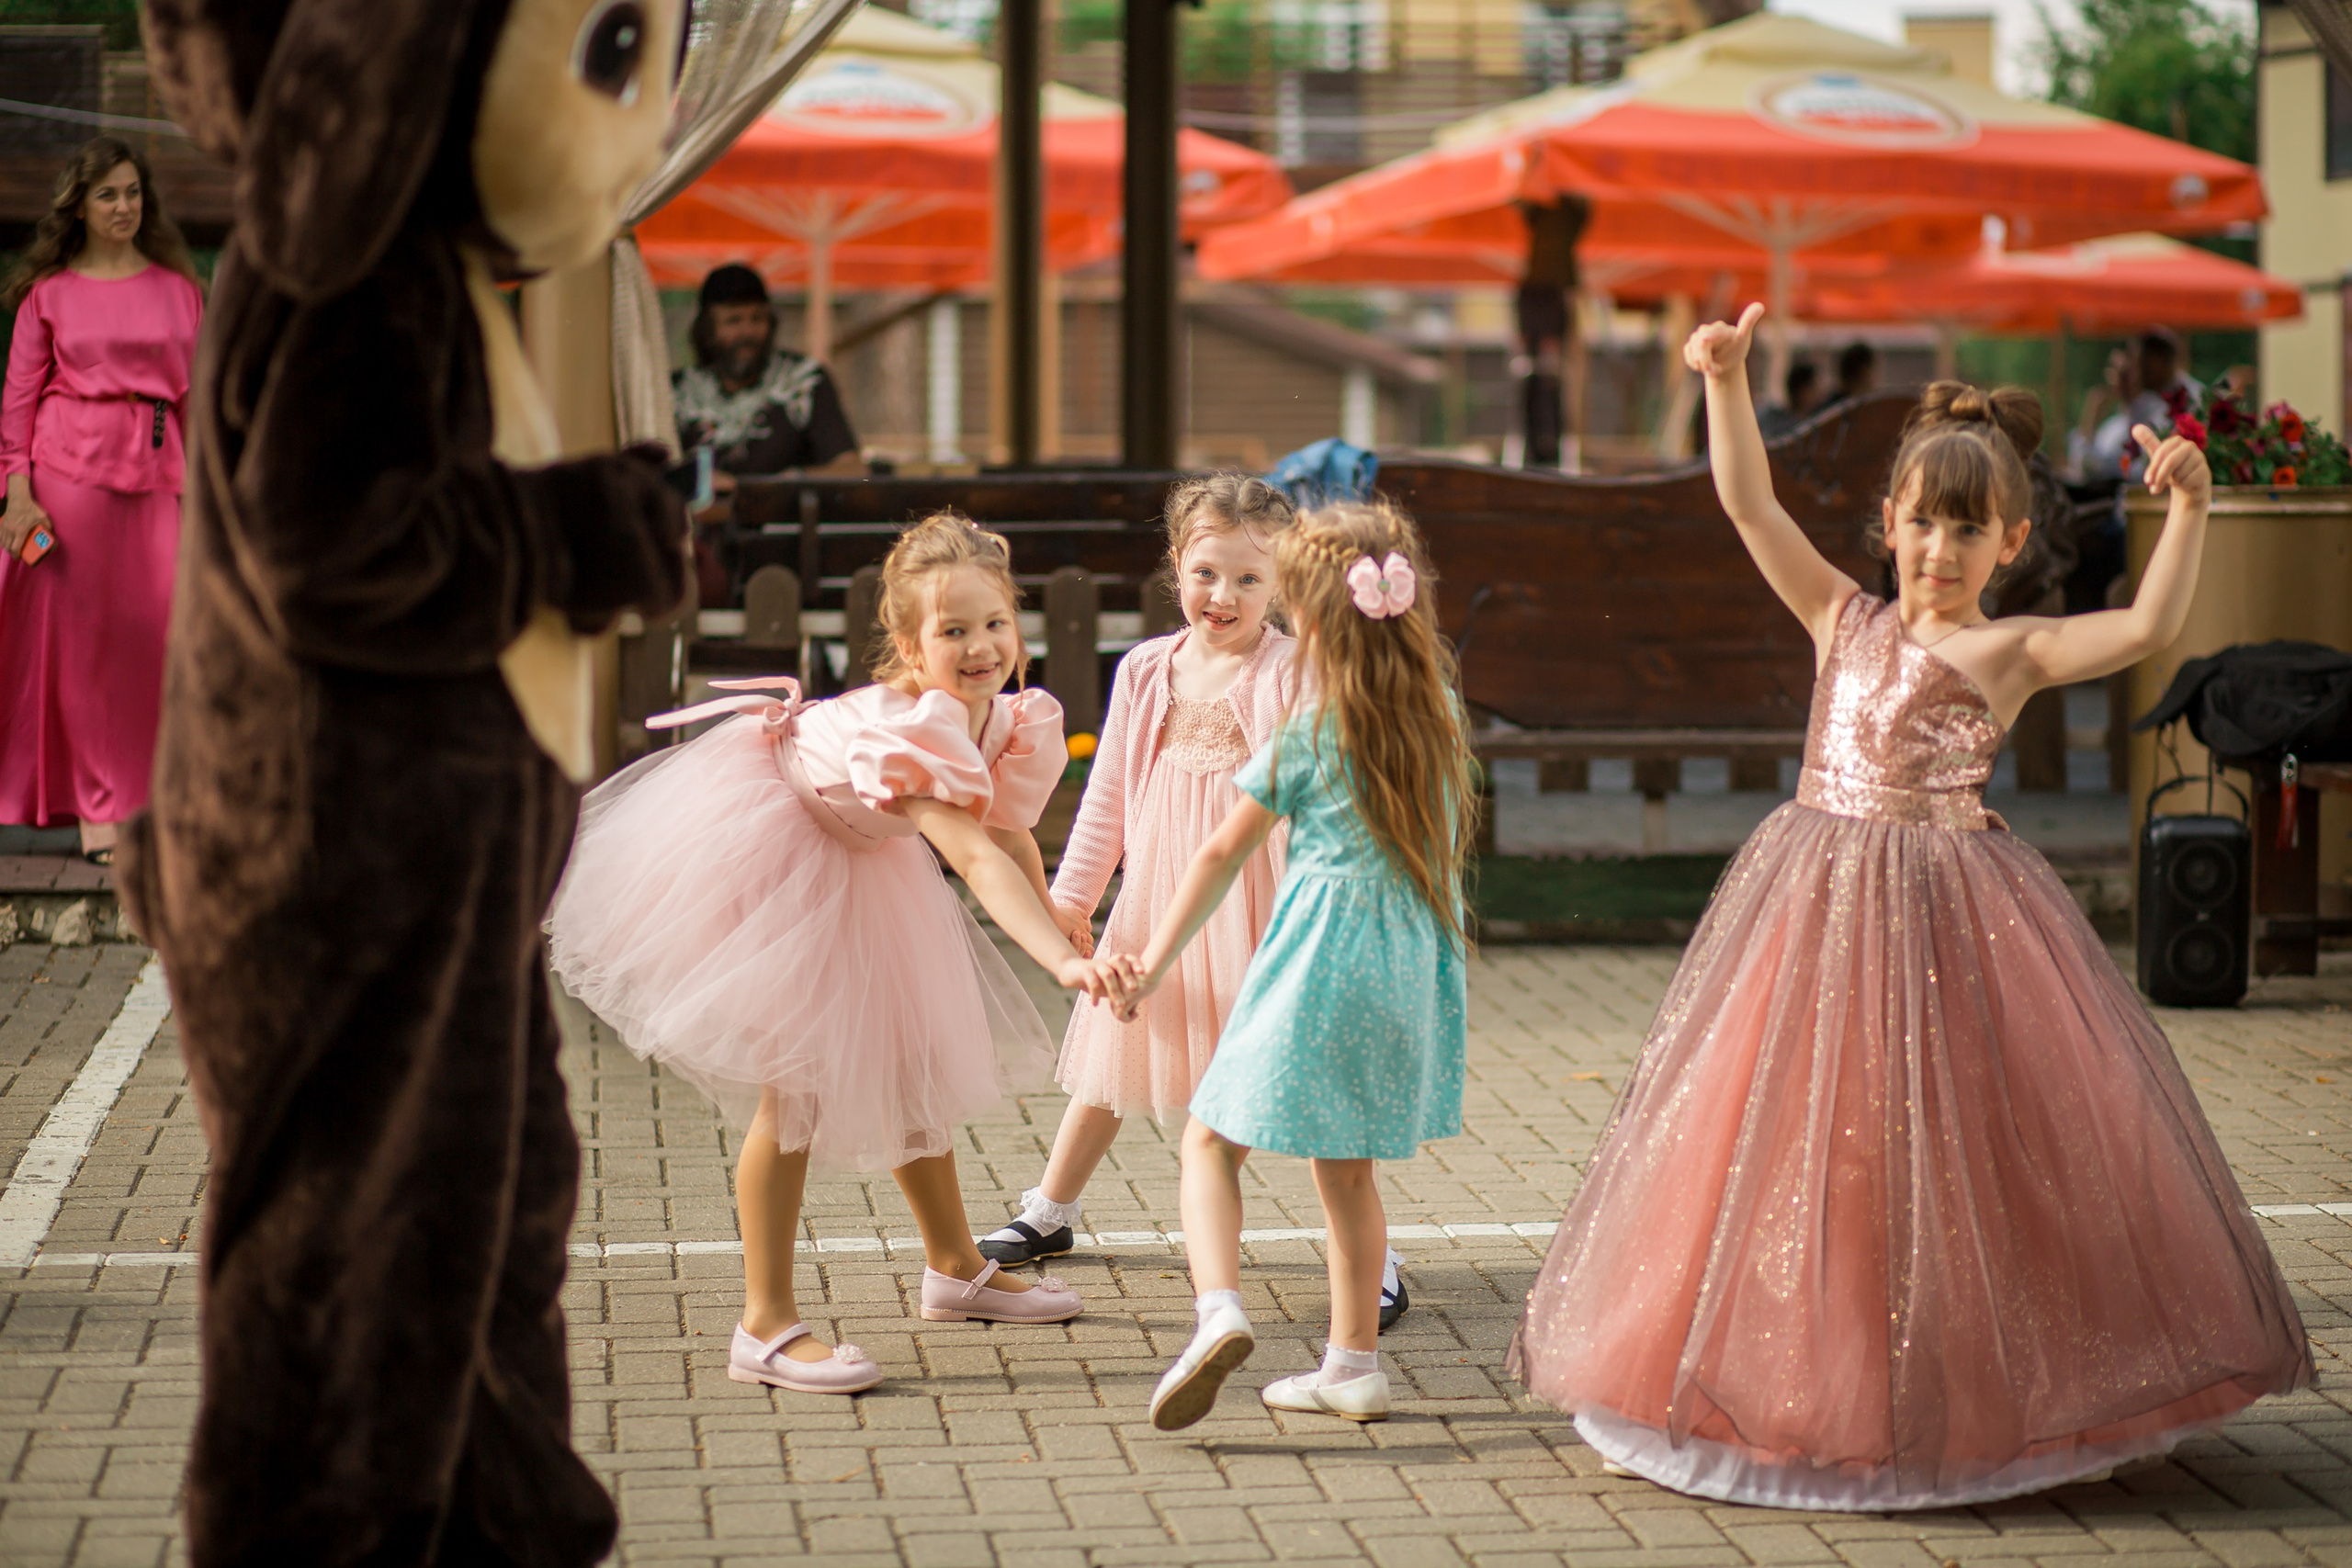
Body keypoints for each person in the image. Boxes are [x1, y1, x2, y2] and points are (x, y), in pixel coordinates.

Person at [1510, 301, 2312, 1510]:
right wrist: (1725, 380)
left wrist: (2188, 507)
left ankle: (1959, 1383)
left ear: (2012, 540)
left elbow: (2149, 623)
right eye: (1923, 522)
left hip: (1947, 921)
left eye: (1968, 528)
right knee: (1798, 1141)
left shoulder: (2017, 650)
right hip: (1810, 908)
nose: (1940, 548)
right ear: (1888, 525)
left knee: (1954, 1148)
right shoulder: (1844, 618)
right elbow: (1747, 505)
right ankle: (1807, 1371)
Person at [548, 515, 1130, 1394]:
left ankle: (952, 1266)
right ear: (906, 643)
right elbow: (966, 854)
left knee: (906, 1061)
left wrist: (1058, 912)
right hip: (777, 853)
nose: (980, 648)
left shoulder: (1010, 719)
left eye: (995, 624)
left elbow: (1005, 834)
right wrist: (1058, 962)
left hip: (867, 856)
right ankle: (765, 1325)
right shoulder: (912, 728)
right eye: (953, 631)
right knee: (800, 1089)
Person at [1119, 502, 1476, 1429]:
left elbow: (1218, 857)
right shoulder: (1434, 719)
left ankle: (1218, 1313)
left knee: (1208, 1141)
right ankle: (1350, 1366)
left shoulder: (1312, 734)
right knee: (1346, 1176)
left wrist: (1152, 961)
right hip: (1406, 968)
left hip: (1321, 959)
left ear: (1309, 621)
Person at [0, 137, 203, 864]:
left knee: (157, 638)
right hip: (68, 477)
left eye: (132, 192)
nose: (124, 206)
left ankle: (157, 804)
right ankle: (102, 817)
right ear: (79, 208)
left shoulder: (181, 291)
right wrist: (18, 497)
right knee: (86, 655)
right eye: (108, 194)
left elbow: (200, 405)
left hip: (156, 477)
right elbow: (18, 401)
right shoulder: (48, 296)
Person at [1757, 358, 1821, 439]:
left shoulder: (1815, 422)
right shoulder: (1774, 420)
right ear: (1802, 391)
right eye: (1814, 389)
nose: (1819, 394)